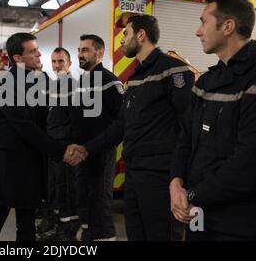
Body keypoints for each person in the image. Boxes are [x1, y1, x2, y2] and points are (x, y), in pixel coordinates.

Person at [65, 16, 194, 241]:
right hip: (134, 173)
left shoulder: (173, 70)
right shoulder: (136, 78)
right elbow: (121, 125)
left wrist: (180, 178)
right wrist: (87, 149)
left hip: (160, 175)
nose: (122, 41)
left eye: (126, 34)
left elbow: (188, 125)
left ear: (141, 35)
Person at [169, 0, 256, 241]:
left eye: (204, 21)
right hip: (197, 217)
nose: (198, 31)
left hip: (240, 225)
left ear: (227, 26)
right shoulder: (206, 82)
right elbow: (184, 139)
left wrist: (190, 196)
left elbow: (249, 166)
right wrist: (175, 183)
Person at [0, 33, 67, 241]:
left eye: (37, 49)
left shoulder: (41, 79)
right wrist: (61, 151)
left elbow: (49, 117)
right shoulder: (7, 84)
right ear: (17, 58)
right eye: (32, 51)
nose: (39, 53)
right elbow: (25, 127)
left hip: (30, 164)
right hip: (6, 166)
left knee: (27, 224)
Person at [67, 35, 124, 241]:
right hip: (82, 151)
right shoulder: (83, 80)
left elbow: (122, 121)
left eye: (85, 50)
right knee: (85, 194)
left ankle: (104, 235)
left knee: (100, 199)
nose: (80, 54)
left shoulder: (110, 81)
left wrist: (102, 146)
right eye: (79, 50)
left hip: (100, 152)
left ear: (99, 53)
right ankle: (89, 232)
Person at [37, 47, 80, 241]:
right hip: (53, 146)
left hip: (65, 146)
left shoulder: (74, 86)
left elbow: (76, 121)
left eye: (61, 61)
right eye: (54, 61)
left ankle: (68, 229)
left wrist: (69, 146)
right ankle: (58, 220)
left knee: (67, 188)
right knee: (56, 186)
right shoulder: (54, 86)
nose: (56, 65)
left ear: (69, 63)